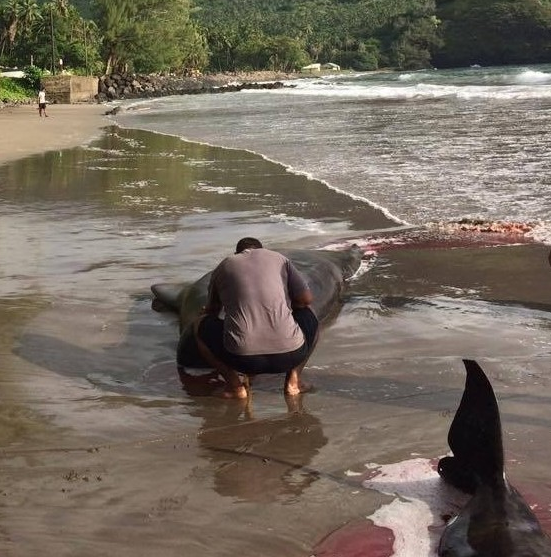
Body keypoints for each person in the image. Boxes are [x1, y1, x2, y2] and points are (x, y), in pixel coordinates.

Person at [194, 237, 319, 399]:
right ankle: (294, 381)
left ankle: (234, 387)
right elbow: (306, 300)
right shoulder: (280, 259)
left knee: (200, 324)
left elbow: (212, 309)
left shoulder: (225, 265)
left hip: (241, 359)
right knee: (309, 314)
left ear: (237, 253)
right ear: (262, 249)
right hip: (291, 355)